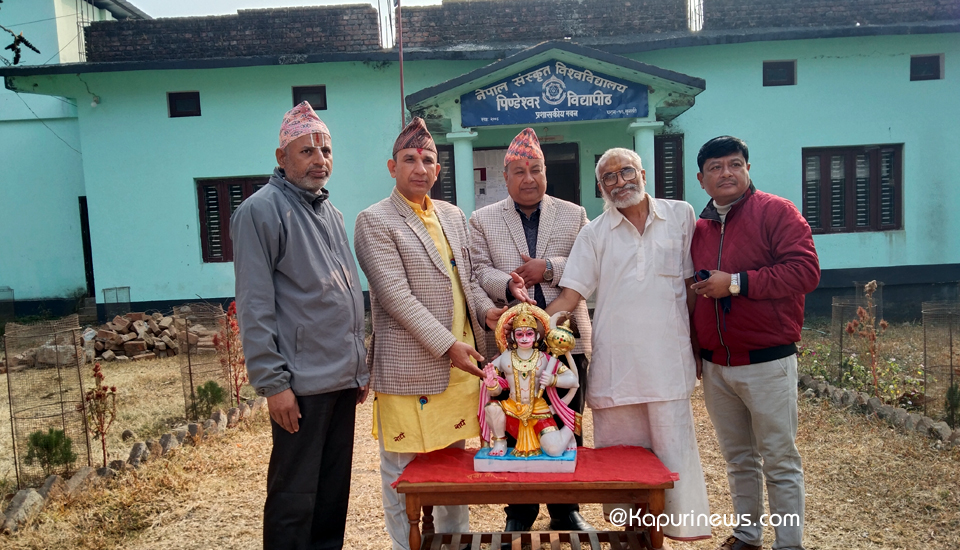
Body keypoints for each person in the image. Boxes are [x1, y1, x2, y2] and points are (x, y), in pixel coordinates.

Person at [353, 117, 527, 550]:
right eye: (409, 159)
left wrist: (488, 315)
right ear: (391, 167)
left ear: (437, 169)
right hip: (410, 368)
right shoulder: (373, 221)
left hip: (459, 367)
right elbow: (394, 295)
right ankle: (402, 544)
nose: (419, 167)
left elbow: (467, 278)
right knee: (401, 470)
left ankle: (455, 542)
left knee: (452, 467)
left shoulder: (450, 215)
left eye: (427, 160)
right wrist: (449, 345)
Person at [547, 147, 711, 547]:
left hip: (668, 360)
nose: (620, 182)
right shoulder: (595, 232)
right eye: (609, 178)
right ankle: (632, 536)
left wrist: (696, 343)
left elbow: (692, 288)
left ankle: (669, 534)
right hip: (616, 365)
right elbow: (571, 296)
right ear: (600, 187)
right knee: (621, 459)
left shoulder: (681, 215)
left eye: (625, 172)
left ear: (643, 173)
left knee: (673, 452)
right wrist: (533, 325)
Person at [231, 101, 369, 550]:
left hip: (341, 380)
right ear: (281, 158)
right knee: (295, 497)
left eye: (325, 150)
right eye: (306, 151)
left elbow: (342, 293)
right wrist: (273, 384)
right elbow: (255, 305)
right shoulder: (261, 211)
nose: (319, 160)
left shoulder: (332, 214)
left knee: (332, 495)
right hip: (301, 385)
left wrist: (358, 367)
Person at [690, 136, 820, 550]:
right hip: (716, 365)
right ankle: (747, 537)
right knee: (738, 459)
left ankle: (789, 543)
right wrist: (695, 351)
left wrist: (736, 283)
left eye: (734, 164)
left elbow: (805, 272)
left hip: (768, 360)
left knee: (780, 459)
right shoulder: (699, 229)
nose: (725, 173)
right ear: (701, 179)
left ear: (748, 169)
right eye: (715, 167)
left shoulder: (777, 212)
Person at [468, 127, 593, 532]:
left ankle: (564, 509)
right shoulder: (483, 218)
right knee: (514, 416)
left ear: (545, 172)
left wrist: (549, 268)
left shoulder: (573, 214)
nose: (528, 178)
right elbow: (476, 269)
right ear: (505, 177)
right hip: (512, 341)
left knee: (565, 418)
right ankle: (518, 513)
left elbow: (588, 263)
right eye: (519, 171)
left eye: (535, 169)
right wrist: (507, 284)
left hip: (564, 338)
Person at [481, 303, 580, 458]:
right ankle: (500, 442)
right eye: (520, 334)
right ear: (512, 336)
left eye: (529, 334)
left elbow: (573, 380)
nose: (525, 338)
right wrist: (492, 385)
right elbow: (495, 388)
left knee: (554, 450)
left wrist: (554, 379)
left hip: (538, 410)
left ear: (537, 336)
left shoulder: (544, 359)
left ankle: (569, 428)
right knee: (492, 408)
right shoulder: (505, 358)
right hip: (512, 408)